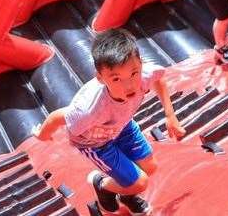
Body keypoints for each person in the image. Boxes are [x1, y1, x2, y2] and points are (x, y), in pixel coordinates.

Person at [33, 29, 185, 215]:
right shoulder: (90, 110)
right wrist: (43, 134)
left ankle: (127, 195)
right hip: (95, 142)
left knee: (150, 167)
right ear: (100, 78)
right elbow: (59, 117)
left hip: (122, 126)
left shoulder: (144, 76)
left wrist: (170, 116)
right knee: (140, 182)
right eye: (116, 79)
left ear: (140, 64)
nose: (129, 86)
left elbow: (158, 80)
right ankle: (102, 185)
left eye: (133, 73)